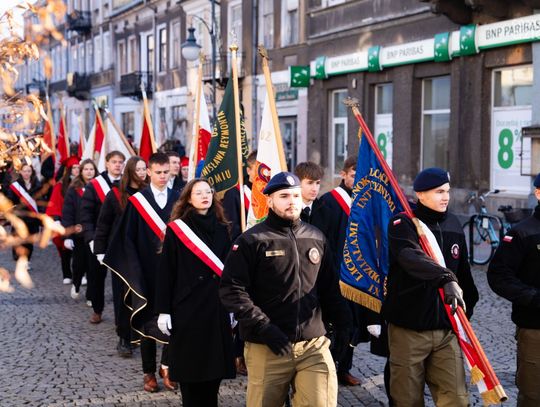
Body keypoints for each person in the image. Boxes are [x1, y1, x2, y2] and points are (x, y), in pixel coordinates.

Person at [220, 172, 352, 407]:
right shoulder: (252, 240)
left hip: (313, 345)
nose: (292, 201)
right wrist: (263, 327)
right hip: (267, 346)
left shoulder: (316, 237)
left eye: (295, 196)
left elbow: (329, 287)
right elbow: (232, 289)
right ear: (270, 201)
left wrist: (344, 325)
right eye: (284, 196)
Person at [382, 167, 479, 407]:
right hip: (409, 329)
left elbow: (463, 273)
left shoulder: (453, 223)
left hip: (446, 329)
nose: (446, 197)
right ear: (420, 195)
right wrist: (445, 278)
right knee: (407, 400)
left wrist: (466, 311)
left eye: (447, 191)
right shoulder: (402, 223)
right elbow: (411, 258)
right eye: (439, 192)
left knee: (456, 399)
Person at [104, 152, 180, 393]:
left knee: (174, 320)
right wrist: (134, 272)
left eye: (166, 172)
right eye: (158, 172)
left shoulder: (179, 199)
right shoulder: (138, 202)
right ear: (148, 172)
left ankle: (167, 366)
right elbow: (126, 239)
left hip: (173, 271)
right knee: (148, 321)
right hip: (145, 272)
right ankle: (149, 372)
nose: (162, 176)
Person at [156, 178, 235, 406]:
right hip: (187, 308)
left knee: (214, 372)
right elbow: (166, 272)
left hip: (216, 307)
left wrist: (233, 306)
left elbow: (229, 271)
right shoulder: (177, 229)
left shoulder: (223, 228)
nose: (205, 196)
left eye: (208, 192)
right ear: (189, 199)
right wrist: (164, 310)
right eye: (198, 193)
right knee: (190, 372)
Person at [311, 155, 367, 385]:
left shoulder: (365, 201)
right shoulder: (329, 202)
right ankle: (327, 367)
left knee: (353, 324)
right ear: (343, 175)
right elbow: (319, 240)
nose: (358, 179)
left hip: (359, 274)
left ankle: (344, 367)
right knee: (335, 324)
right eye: (354, 175)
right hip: (335, 273)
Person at [487, 173, 540, 407]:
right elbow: (498, 276)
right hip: (535, 328)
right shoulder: (521, 232)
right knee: (533, 396)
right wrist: (533, 298)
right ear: (538, 193)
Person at [94, 156, 147, 357]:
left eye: (144, 169)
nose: (142, 173)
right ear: (130, 171)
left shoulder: (148, 193)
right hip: (121, 254)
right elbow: (104, 224)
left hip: (143, 253)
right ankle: (124, 337)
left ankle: (139, 332)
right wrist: (100, 250)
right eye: (138, 169)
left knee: (142, 294)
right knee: (122, 296)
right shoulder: (115, 193)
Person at [80, 151, 125, 323]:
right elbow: (86, 214)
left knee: (121, 279)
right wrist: (91, 239)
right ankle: (97, 310)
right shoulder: (95, 185)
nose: (117, 165)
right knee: (96, 276)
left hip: (119, 239)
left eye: (120, 162)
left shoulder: (126, 184)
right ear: (106, 163)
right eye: (114, 161)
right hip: (98, 238)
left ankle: (122, 315)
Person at [62, 159, 97, 300]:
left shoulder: (99, 188)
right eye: (86, 169)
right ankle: (76, 283)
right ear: (81, 172)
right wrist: (68, 235)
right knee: (79, 264)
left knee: (93, 267)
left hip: (94, 233)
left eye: (91, 169)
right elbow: (68, 213)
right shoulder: (73, 190)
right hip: (79, 234)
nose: (89, 172)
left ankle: (91, 296)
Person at [46, 156, 80, 284]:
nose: (76, 170)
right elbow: (54, 203)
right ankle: (67, 274)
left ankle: (80, 273)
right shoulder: (61, 185)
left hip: (79, 220)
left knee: (79, 249)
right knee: (64, 249)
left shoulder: (83, 184)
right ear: (69, 169)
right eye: (74, 168)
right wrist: (56, 219)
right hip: (63, 220)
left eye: (78, 168)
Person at [7, 163, 42, 265]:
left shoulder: (37, 185)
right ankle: (20, 259)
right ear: (21, 172)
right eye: (24, 171)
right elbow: (10, 201)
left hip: (32, 218)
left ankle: (27, 259)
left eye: (29, 171)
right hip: (20, 217)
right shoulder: (15, 186)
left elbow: (40, 202)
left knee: (29, 241)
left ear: (32, 172)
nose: (26, 173)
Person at [222, 150, 256, 241]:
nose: (263, 175)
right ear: (248, 170)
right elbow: (231, 230)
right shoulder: (235, 194)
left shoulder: (273, 193)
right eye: (258, 170)